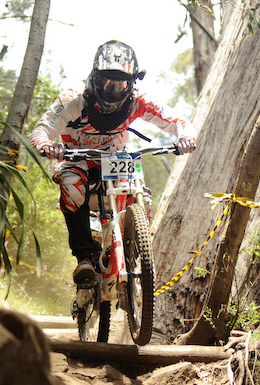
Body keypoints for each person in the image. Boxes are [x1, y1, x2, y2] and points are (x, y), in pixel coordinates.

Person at [31, 40, 196, 283]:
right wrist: (46, 145)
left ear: (132, 84)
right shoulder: (74, 98)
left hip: (116, 157)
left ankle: (131, 252)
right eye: (104, 83)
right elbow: (42, 128)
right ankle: (85, 257)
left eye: (119, 85)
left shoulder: (138, 101)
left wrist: (185, 137)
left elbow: (177, 120)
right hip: (76, 155)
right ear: (93, 78)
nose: (111, 91)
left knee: (142, 197)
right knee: (72, 185)